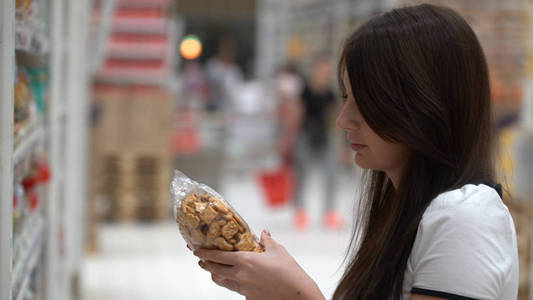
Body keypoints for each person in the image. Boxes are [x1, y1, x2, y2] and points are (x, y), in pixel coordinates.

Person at [192, 4, 519, 299]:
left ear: (424, 104)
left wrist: (297, 294)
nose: (343, 120)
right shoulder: (404, 211)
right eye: (347, 97)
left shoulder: (465, 218)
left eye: (365, 100)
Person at [292, 53, 345, 230]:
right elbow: (298, 114)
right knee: (301, 174)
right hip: (306, 135)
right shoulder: (306, 90)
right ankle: (300, 211)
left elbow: (334, 117)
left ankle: (329, 211)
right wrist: (291, 137)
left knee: (331, 174)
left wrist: (340, 143)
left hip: (325, 137)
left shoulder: (330, 93)